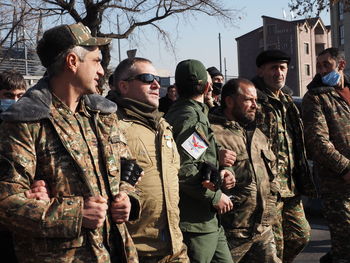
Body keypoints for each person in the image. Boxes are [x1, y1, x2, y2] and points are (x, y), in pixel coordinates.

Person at [0, 22, 140, 263]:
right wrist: (75, 214)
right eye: (96, 61)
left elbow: (127, 166)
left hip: (117, 251)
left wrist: (127, 198)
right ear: (72, 62)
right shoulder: (26, 122)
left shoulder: (102, 116)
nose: (101, 71)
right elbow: (6, 204)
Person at [107, 57, 189, 262]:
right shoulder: (109, 125)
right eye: (147, 78)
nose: (156, 84)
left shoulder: (163, 125)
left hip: (175, 247)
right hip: (136, 252)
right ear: (124, 86)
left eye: (157, 78)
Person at [165, 59, 236, 263]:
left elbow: (198, 155)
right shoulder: (192, 118)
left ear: (177, 88)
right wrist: (215, 197)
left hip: (206, 220)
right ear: (207, 87)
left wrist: (222, 167)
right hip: (196, 223)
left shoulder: (183, 113)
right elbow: (185, 169)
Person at [251, 49, 313, 263]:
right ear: (261, 71)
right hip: (269, 188)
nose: (279, 72)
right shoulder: (254, 101)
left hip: (291, 186)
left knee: (301, 235)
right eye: (273, 68)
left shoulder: (287, 101)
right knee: (274, 246)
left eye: (282, 68)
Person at [209, 78, 281, 263]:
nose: (255, 105)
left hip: (262, 228)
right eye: (248, 100)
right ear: (230, 101)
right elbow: (191, 173)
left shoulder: (257, 134)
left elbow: (272, 174)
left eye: (255, 100)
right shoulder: (210, 133)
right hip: (231, 233)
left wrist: (271, 212)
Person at [302, 47, 350, 263]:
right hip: (338, 184)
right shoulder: (316, 97)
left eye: (326, 65)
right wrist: (346, 168)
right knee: (345, 246)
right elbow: (318, 143)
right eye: (319, 66)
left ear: (341, 65)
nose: (321, 70)